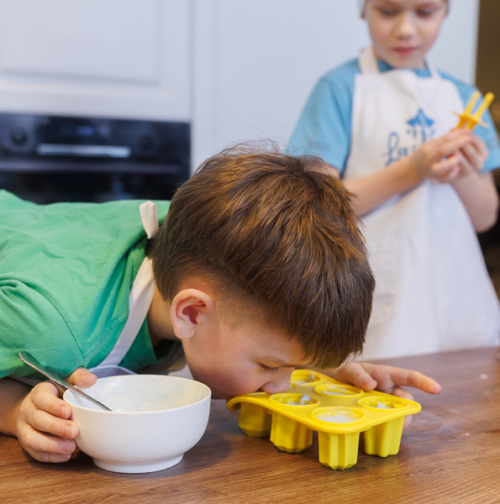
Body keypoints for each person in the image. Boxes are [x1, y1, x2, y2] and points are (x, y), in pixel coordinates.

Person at [0, 145, 441, 464]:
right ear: (190, 313)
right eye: (271, 366)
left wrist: (320, 367)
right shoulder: (51, 329)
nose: (282, 386)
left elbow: (249, 321)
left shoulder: (204, 243)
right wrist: (16, 410)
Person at [287, 0, 500, 360]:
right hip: (374, 281)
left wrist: (460, 171)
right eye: (388, 11)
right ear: (363, 9)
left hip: (455, 291)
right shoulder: (339, 89)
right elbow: (315, 204)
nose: (405, 29)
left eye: (425, 12)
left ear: (446, 11)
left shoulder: (466, 99)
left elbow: (485, 217)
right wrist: (414, 170)